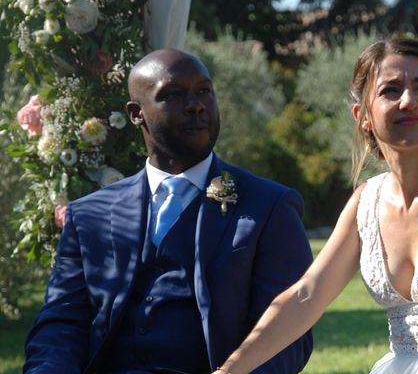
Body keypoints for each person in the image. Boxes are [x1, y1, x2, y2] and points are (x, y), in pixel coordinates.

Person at [213, 38, 418, 374]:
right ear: (362, 115)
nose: (409, 100)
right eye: (390, 90)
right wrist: (230, 370)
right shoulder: (366, 202)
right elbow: (306, 296)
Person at [23, 48, 313, 374]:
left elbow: (289, 334)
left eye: (204, 91)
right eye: (173, 95)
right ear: (136, 113)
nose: (196, 105)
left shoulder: (268, 206)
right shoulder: (88, 214)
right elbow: (62, 320)